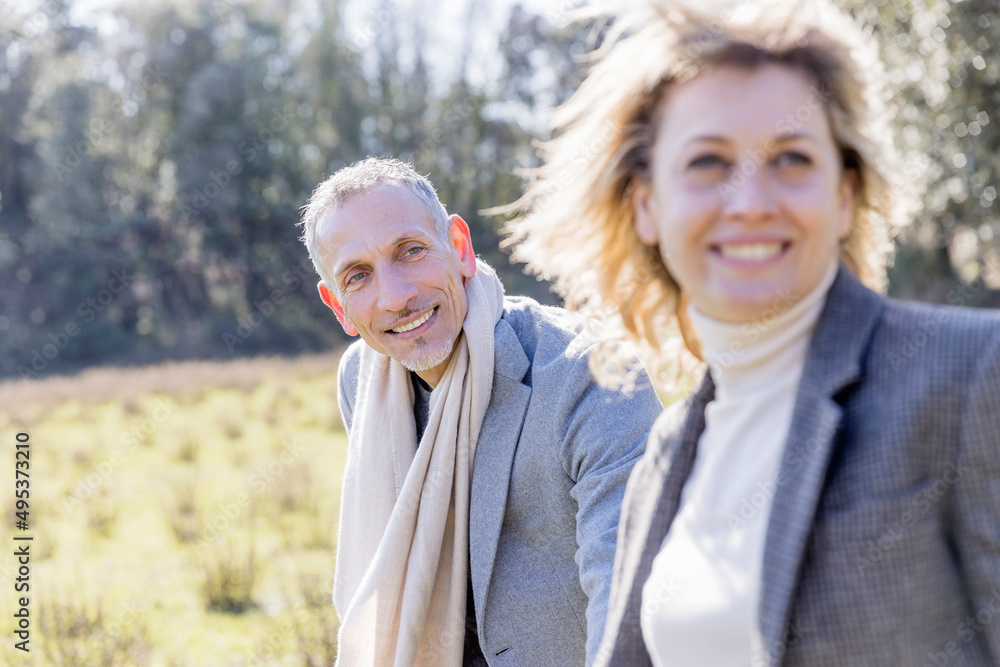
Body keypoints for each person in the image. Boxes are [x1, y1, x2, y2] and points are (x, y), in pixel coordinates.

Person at [505, 1, 1000, 665]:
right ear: (647, 205)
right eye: (708, 162)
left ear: (845, 195)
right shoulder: (667, 451)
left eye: (791, 158)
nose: (750, 202)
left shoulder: (975, 374)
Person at [297, 157, 662, 666]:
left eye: (411, 251)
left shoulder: (593, 375)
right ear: (338, 307)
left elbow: (628, 591)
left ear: (460, 247)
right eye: (357, 276)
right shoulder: (360, 381)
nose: (396, 297)